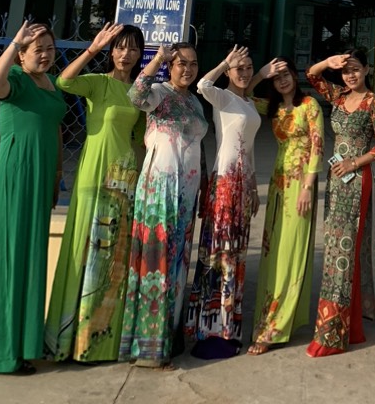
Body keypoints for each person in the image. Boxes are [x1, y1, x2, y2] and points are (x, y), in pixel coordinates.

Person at [45, 22, 146, 362]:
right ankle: (66, 338)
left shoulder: (138, 91)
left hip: (124, 175)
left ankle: (101, 340)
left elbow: (141, 138)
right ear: (112, 51)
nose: (126, 54)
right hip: (94, 170)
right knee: (84, 245)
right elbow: (64, 81)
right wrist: (93, 49)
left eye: (133, 48)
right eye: (120, 47)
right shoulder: (99, 83)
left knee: (113, 254)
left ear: (140, 54)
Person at [0, 20, 65, 375]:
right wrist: (13, 44)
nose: (45, 55)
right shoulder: (16, 79)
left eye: (49, 49)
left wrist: (56, 177)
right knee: (9, 261)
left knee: (29, 260)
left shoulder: (51, 84)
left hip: (41, 179)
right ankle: (3, 354)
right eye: (37, 50)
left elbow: (54, 129)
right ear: (22, 56)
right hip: (15, 177)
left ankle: (19, 344)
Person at [118, 41, 208, 369]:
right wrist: (157, 59)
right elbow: (135, 96)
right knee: (156, 263)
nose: (188, 69)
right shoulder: (159, 93)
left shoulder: (195, 101)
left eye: (193, 64)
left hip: (187, 192)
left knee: (178, 264)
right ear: (171, 66)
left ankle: (168, 336)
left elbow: (199, 144)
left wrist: (205, 183)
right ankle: (148, 346)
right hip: (160, 188)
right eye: (181, 63)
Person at [305, 48, 375, 356]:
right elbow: (312, 75)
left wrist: (354, 163)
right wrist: (327, 62)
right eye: (345, 71)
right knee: (334, 251)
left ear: (367, 69)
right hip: (336, 181)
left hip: (356, 180)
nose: (350, 75)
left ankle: (332, 334)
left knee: (343, 254)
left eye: (355, 69)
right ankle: (350, 326)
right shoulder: (339, 96)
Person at [185, 44, 261, 359]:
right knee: (219, 253)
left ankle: (228, 326)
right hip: (224, 182)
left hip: (242, 185)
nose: (244, 73)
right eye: (238, 68)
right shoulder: (223, 98)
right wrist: (224, 61)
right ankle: (209, 327)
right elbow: (202, 84)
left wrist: (253, 185)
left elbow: (249, 148)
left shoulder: (248, 102)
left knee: (236, 255)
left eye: (248, 68)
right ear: (228, 71)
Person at [247, 57, 324, 353]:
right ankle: (270, 316)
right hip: (278, 185)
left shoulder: (309, 105)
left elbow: (317, 147)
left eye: (286, 74)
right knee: (274, 252)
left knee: (291, 251)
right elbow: (242, 94)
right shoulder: (273, 108)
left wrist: (307, 188)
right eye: (276, 77)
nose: (282, 80)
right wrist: (259, 73)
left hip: (300, 186)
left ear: (294, 75)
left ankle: (276, 327)